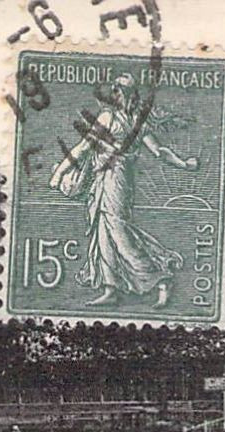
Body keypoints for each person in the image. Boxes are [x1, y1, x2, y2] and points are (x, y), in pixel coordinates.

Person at [49, 70, 198, 310]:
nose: (114, 93)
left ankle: (161, 280)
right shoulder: (123, 119)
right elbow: (85, 147)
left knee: (118, 231)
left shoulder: (116, 119)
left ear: (126, 94)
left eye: (118, 90)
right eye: (114, 89)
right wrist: (184, 164)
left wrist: (183, 164)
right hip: (106, 179)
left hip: (116, 179)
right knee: (103, 231)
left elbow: (156, 151)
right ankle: (111, 289)